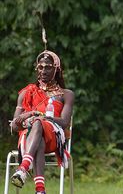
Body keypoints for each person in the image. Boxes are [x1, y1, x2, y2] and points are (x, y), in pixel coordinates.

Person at [9, 50, 74, 194]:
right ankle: (40, 190)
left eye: (48, 67)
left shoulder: (66, 94)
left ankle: (23, 168)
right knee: (38, 138)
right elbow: (14, 126)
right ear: (36, 69)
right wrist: (29, 115)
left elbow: (64, 122)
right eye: (40, 67)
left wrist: (39, 116)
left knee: (38, 123)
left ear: (56, 69)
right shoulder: (27, 92)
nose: (43, 70)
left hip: (54, 138)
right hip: (29, 138)